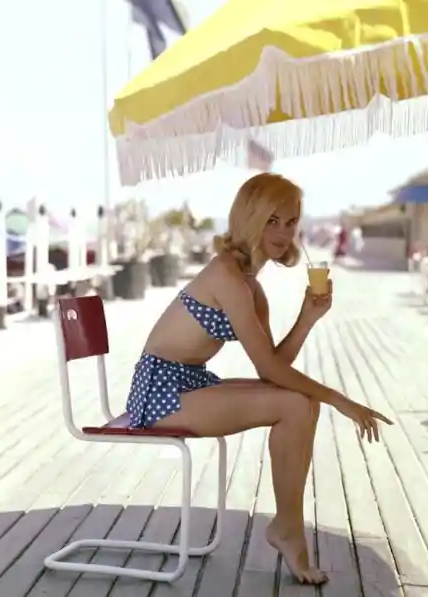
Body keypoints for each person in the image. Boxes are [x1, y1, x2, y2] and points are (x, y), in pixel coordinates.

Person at [126, 173, 393, 585]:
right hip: (160, 393)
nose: (284, 233)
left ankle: (287, 526)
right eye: (272, 220)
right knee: (296, 402)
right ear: (249, 218)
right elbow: (271, 372)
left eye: (291, 222)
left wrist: (307, 318)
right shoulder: (226, 277)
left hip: (190, 383)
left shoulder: (252, 287)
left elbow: (270, 366)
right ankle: (288, 529)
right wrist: (343, 400)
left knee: (301, 401)